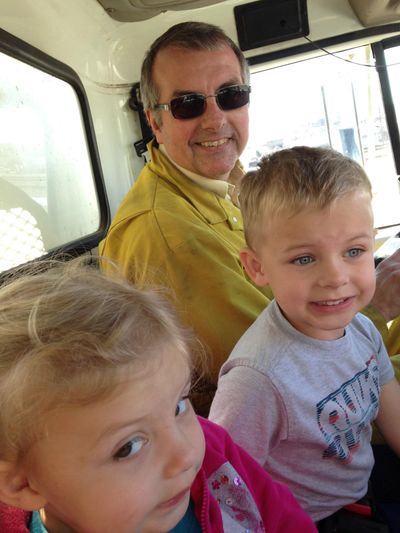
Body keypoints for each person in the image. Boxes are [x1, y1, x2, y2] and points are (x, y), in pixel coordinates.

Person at [99, 20, 400, 416]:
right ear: (155, 122)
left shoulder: (231, 182)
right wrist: (377, 305)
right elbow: (295, 378)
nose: (214, 119)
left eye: (230, 95)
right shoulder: (166, 234)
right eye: (188, 104)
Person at [0, 258, 317, 533]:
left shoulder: (214, 453)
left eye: (179, 405)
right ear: (24, 484)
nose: (185, 456)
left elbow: (280, 514)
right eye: (128, 447)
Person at [209, 146, 400, 526]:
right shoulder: (256, 379)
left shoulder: (361, 328)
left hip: (360, 486)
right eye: (304, 259)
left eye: (354, 251)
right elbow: (223, 483)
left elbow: (390, 407)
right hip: (312, 518)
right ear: (257, 267)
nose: (335, 277)